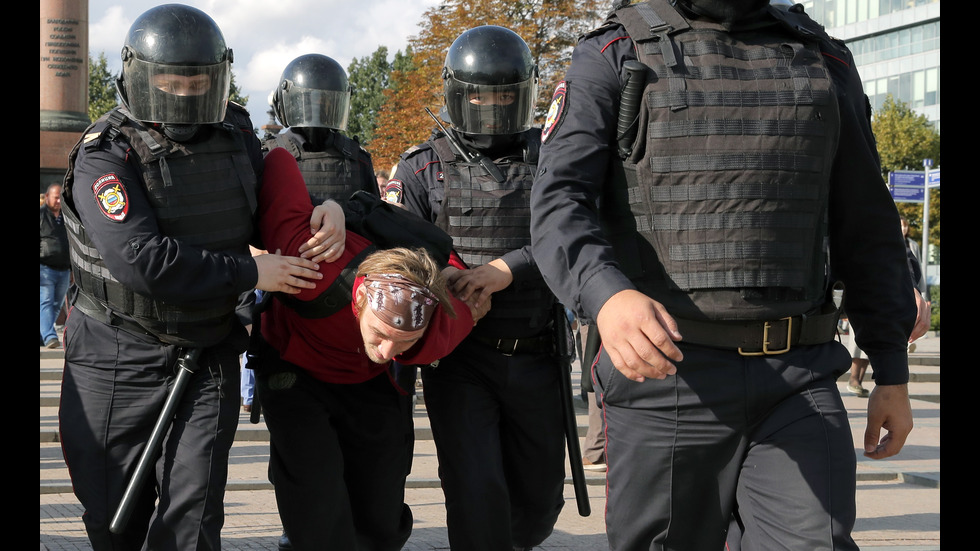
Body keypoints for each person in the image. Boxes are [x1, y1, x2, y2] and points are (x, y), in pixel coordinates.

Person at [529, 1, 919, 549]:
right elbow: (558, 204)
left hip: (798, 374)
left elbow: (867, 223)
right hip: (666, 374)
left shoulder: (823, 56)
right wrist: (607, 295)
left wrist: (892, 372)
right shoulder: (614, 52)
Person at [57, 6, 325, 550]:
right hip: (117, 354)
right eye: (168, 81)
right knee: (114, 518)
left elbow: (272, 204)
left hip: (208, 348)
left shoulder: (237, 134)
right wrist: (252, 271)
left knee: (194, 516)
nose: (183, 94)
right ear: (137, 76)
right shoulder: (104, 155)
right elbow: (140, 259)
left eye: (197, 81)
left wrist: (331, 209)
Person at [250, 146, 486, 551]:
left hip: (371, 386)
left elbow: (468, 295)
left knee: (380, 515)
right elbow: (278, 160)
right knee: (316, 505)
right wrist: (330, 206)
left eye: (405, 342)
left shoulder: (441, 324)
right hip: (295, 372)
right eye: (381, 334)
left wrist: (460, 279)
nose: (389, 347)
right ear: (357, 303)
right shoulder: (312, 262)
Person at [391, 25, 566, 551]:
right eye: (477, 96)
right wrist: (441, 278)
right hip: (461, 360)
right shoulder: (422, 166)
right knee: (475, 493)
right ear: (455, 95)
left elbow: (577, 230)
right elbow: (401, 250)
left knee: (539, 502)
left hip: (540, 354)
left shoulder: (554, 156)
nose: (490, 107)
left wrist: (504, 270)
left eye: (504, 96)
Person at [263, 53, 377, 204]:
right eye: (309, 102)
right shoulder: (267, 156)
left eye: (323, 102)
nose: (317, 108)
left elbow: (373, 218)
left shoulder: (358, 159)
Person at [40, 183, 71, 349]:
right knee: (45, 301)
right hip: (44, 268)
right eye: (56, 197)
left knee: (56, 304)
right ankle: (50, 336)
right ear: (47, 197)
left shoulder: (66, 218)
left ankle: (42, 335)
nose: (59, 200)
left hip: (64, 270)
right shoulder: (41, 215)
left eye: (61, 197)